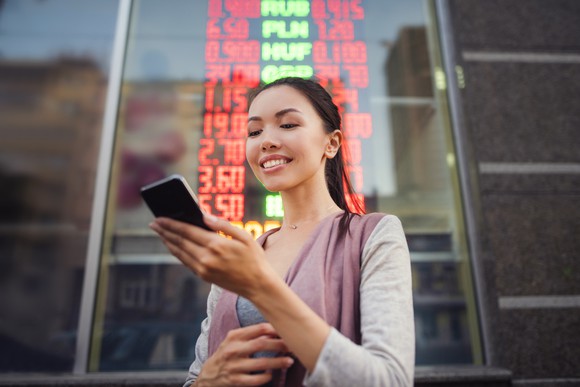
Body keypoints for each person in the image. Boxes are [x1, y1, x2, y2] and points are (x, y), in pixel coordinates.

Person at [149, 77, 415, 386]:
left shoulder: (375, 236)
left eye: (287, 125)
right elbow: (196, 377)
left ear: (331, 143)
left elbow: (390, 381)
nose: (266, 141)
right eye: (254, 131)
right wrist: (208, 381)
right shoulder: (241, 256)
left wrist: (261, 287)